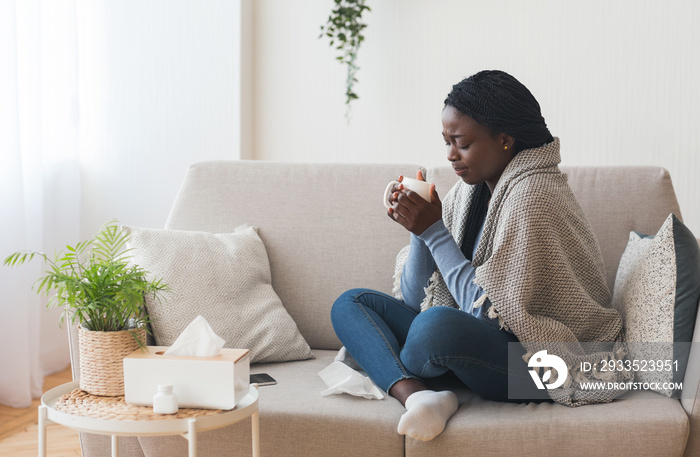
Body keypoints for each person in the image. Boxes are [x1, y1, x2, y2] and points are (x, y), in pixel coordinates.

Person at [330, 70, 624, 442]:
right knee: (351, 303)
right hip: (476, 345)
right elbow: (413, 295)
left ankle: (393, 366)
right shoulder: (471, 192)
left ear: (504, 140)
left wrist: (434, 231)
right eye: (446, 141)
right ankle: (418, 396)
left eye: (462, 142)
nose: (450, 155)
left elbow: (488, 314)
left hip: (540, 364)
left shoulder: (533, 195)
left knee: (434, 328)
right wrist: (420, 231)